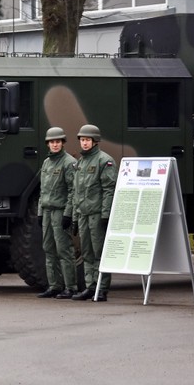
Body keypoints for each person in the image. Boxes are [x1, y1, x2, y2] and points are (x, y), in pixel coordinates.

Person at [71, 124, 117, 302]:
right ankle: (91, 286)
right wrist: (75, 217)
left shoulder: (104, 161)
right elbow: (76, 192)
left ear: (95, 141)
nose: (84, 143)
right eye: (82, 140)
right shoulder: (80, 163)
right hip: (83, 214)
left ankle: (102, 287)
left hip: (97, 214)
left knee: (99, 252)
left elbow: (108, 190)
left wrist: (105, 215)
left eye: (87, 140)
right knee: (87, 252)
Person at [36, 127, 77, 299]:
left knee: (64, 249)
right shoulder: (47, 163)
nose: (55, 144)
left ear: (62, 143)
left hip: (60, 211)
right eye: (52, 142)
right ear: (48, 144)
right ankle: (54, 285)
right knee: (48, 249)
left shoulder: (68, 162)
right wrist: (39, 212)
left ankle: (71, 287)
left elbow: (72, 190)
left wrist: (68, 214)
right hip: (47, 210)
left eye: (58, 142)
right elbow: (43, 190)